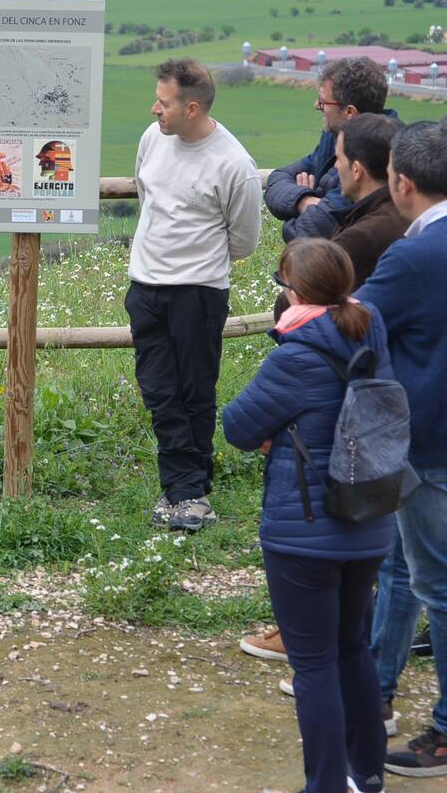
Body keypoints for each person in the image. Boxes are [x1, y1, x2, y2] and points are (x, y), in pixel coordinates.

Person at [224, 236, 395, 793]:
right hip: (369, 521)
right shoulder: (371, 331)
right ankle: (367, 773)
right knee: (353, 647)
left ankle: (325, 785)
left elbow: (238, 427)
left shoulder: (294, 356)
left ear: (294, 292)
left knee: (314, 664)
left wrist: (278, 432)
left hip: (304, 533)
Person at [243, 113, 410, 669]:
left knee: (389, 564)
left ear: (358, 168)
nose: (330, 167)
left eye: (337, 159)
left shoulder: (370, 235)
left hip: (358, 425)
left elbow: (307, 245)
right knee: (385, 558)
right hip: (369, 413)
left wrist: (307, 213)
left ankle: (339, 654)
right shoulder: (378, 217)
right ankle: (359, 665)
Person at [125, 58, 261, 533]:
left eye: (164, 103)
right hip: (145, 287)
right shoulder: (152, 139)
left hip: (199, 292)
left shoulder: (233, 164)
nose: (154, 109)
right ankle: (188, 488)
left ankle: (187, 490)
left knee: (194, 390)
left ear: (193, 107)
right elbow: (150, 200)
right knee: (160, 390)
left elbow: (243, 240)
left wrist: (194, 263)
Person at [354, 120, 447, 778]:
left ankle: (445, 732)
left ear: (402, 183)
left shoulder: (416, 256)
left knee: (436, 586)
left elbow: (354, 322)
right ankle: (376, 689)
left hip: (433, 442)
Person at [265, 57, 392, 241]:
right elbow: (277, 179)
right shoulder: (333, 137)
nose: (316, 106)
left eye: (323, 102)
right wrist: (305, 200)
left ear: (349, 112)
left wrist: (298, 211)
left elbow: (304, 233)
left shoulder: (376, 156)